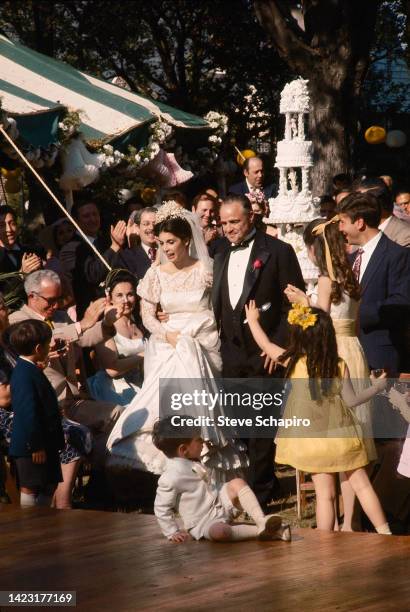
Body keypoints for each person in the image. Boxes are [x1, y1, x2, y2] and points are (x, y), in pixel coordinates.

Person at [107, 202, 248, 484]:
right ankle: (175, 477)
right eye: (161, 243)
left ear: (186, 239)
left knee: (200, 407)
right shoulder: (156, 274)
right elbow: (147, 315)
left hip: (202, 342)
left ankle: (211, 476)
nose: (166, 248)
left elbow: (220, 307)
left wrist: (194, 334)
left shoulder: (207, 269)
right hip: (168, 345)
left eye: (171, 242)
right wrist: (168, 333)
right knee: (168, 409)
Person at [244, 301, 392, 534]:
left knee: (325, 497)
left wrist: (253, 320)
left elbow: (265, 343)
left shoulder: (292, 362)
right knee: (362, 486)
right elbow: (352, 401)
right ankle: (385, 533)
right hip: (342, 438)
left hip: (310, 442)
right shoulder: (337, 365)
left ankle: (323, 548)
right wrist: (376, 386)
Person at [211, 194, 305, 509]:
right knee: (238, 423)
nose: (228, 229)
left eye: (234, 222)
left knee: (262, 425)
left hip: (265, 350)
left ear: (251, 217)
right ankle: (256, 485)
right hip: (232, 351)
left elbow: (293, 305)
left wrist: (278, 345)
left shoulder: (278, 252)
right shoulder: (220, 252)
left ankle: (261, 495)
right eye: (223, 223)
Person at [284, 216, 376, 530]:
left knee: (333, 439)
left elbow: (321, 318)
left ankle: (335, 520)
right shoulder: (352, 275)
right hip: (355, 349)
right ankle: (349, 521)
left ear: (316, 249)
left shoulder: (326, 280)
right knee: (351, 443)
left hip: (333, 351)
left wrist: (303, 301)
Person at [9, 270, 126, 468]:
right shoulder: (17, 320)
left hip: (73, 401)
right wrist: (83, 323)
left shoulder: (61, 317)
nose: (56, 305)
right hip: (48, 407)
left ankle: (100, 470)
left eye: (59, 299)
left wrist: (106, 323)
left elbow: (84, 338)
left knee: (119, 414)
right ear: (32, 296)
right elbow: (47, 338)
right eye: (51, 300)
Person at [0, 293, 91, 509]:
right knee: (33, 482)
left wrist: (41, 361)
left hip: (34, 416)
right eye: (1, 307)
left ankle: (57, 500)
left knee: (75, 433)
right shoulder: (23, 372)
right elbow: (6, 398)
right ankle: (43, 513)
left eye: (3, 305)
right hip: (14, 418)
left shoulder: (9, 343)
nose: (5, 311)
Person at [152, 417, 291, 542]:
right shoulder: (170, 477)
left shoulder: (193, 461)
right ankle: (266, 532)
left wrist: (225, 493)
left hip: (220, 501)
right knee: (221, 532)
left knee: (237, 482)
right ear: (183, 449)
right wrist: (172, 531)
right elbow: (161, 508)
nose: (203, 442)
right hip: (203, 522)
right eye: (199, 440)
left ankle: (261, 520)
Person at [337, 191, 410, 374]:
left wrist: (356, 314)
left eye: (343, 222)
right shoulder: (350, 258)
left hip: (378, 358)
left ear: (360, 223)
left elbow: (401, 303)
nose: (339, 228)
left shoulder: (397, 255)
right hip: (347, 358)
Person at [8, 319, 65, 508]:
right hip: (32, 445)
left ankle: (43, 520)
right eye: (48, 344)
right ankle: (30, 523)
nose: (50, 347)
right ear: (39, 348)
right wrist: (35, 445)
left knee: (49, 484)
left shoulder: (31, 369)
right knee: (31, 486)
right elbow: (26, 412)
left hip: (45, 440)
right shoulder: (23, 374)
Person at [59, 197, 127, 318]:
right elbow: (92, 275)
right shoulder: (71, 248)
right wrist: (115, 247)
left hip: (120, 309)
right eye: (86, 216)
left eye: (95, 214)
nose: (93, 219)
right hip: (94, 316)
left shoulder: (106, 241)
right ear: (76, 221)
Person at [87, 271, 145, 406]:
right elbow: (112, 369)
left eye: (130, 294)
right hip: (114, 389)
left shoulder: (140, 323)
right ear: (110, 297)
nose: (126, 301)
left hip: (142, 384)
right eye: (119, 295)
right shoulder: (105, 326)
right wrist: (145, 354)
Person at [355, 177, 410, 248]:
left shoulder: (405, 236)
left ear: (376, 201)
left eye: (361, 200)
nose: (356, 207)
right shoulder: (359, 232)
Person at [120, 207, 158, 281]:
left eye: (155, 223)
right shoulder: (126, 256)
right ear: (137, 228)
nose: (151, 227)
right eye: (146, 224)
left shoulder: (169, 253)